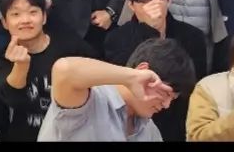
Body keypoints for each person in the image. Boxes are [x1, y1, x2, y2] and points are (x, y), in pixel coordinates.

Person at [104, 0, 208, 140]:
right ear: (131, 4)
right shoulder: (116, 39)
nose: (154, 6)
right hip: (134, 124)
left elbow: (194, 87)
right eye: (144, 1)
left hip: (178, 123)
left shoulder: (192, 37)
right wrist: (150, 30)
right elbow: (126, 82)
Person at [37, 38, 195, 142]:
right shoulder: (91, 98)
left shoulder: (149, 130)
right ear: (143, 71)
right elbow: (64, 70)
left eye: (172, 99)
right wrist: (130, 77)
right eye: (165, 93)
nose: (166, 104)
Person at [0, 0, 93, 142]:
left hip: (72, 135)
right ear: (5, 22)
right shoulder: (4, 56)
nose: (25, 20)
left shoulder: (72, 47)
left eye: (33, 12)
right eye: (16, 14)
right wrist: (20, 66)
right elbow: (12, 100)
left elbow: (99, 89)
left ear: (44, 17)